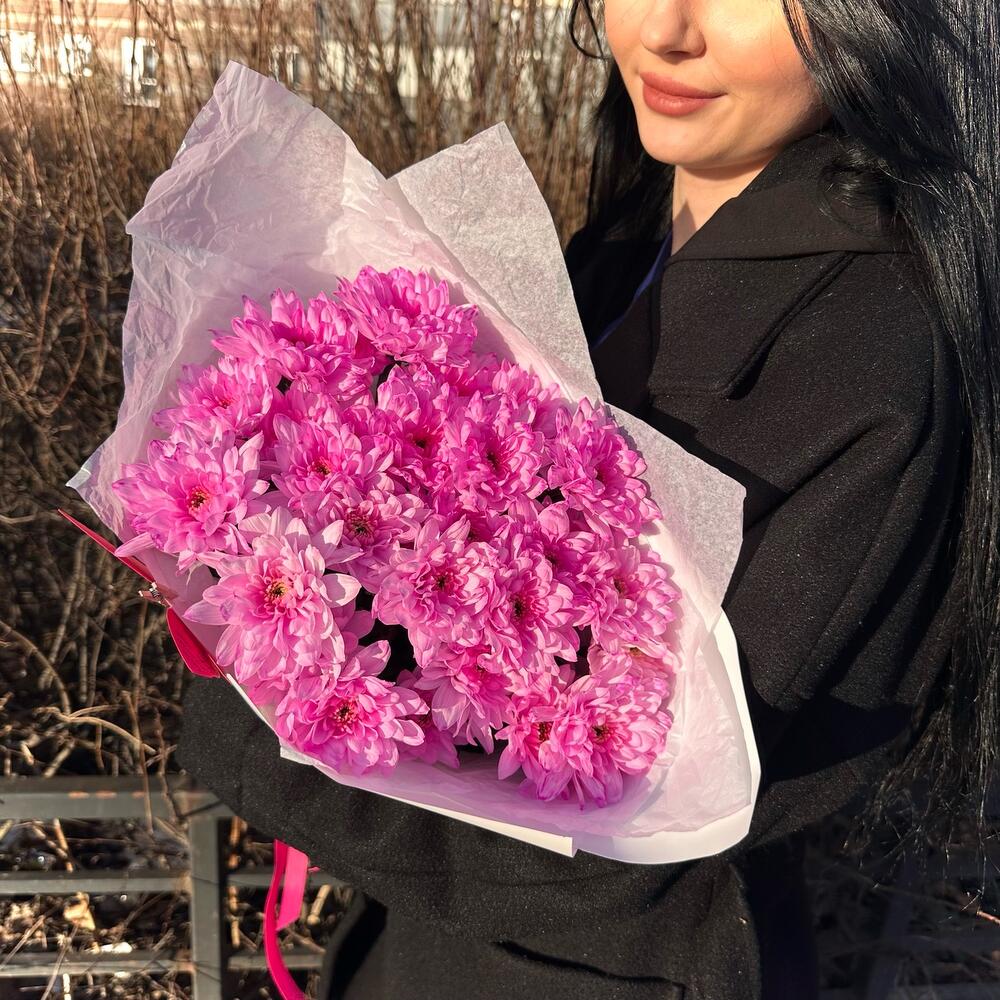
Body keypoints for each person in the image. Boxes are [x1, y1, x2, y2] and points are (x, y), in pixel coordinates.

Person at [174, 2, 1000, 998]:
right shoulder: (622, 241)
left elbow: (628, 839)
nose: (665, 30)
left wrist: (256, 719)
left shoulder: (870, 354)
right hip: (431, 948)